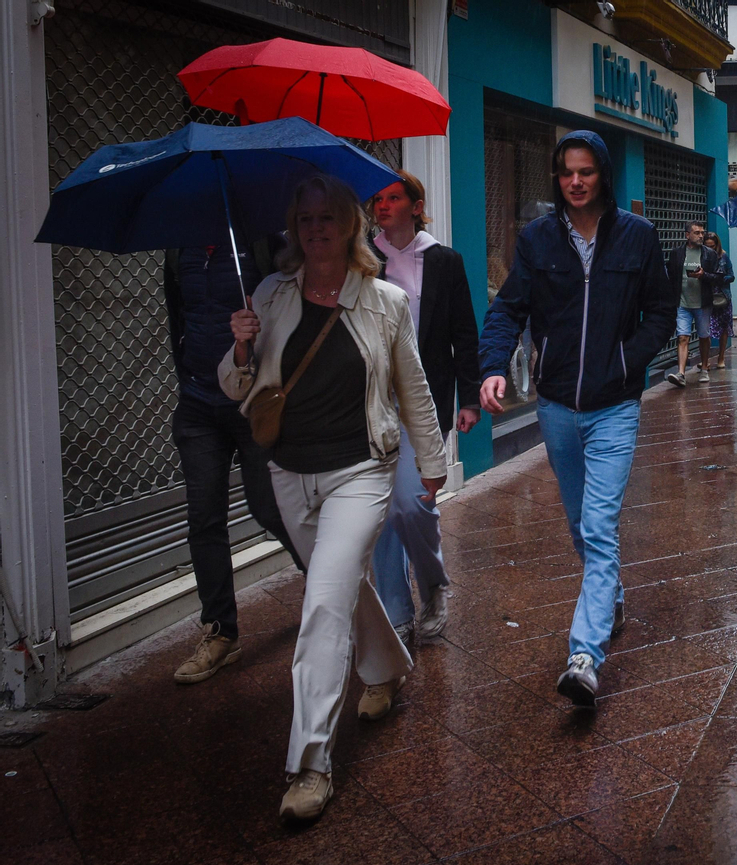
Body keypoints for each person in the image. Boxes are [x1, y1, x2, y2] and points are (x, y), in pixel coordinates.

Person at [221, 174, 446, 823]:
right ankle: (383, 668)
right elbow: (239, 386)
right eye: (306, 218)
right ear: (295, 228)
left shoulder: (384, 301)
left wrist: (432, 465)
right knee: (342, 586)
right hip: (289, 474)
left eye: (328, 217)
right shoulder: (270, 295)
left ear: (351, 225)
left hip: (361, 471)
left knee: (322, 600)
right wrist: (240, 344)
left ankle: (309, 763)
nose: (316, 228)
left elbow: (413, 387)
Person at [478, 131, 676, 707]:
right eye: (566, 173)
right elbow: (508, 308)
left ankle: (584, 657)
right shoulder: (538, 239)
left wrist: (626, 360)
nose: (576, 182)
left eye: (586, 172)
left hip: (615, 405)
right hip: (558, 405)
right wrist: (493, 366)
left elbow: (662, 311)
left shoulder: (637, 236)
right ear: (557, 178)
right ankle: (609, 593)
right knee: (578, 524)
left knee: (598, 525)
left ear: (603, 176)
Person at [165, 240, 306, 685]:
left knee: (269, 507)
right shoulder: (178, 251)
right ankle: (221, 633)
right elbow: (179, 315)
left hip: (252, 402)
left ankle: (330, 582)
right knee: (204, 518)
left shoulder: (255, 243)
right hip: (198, 401)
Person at [367, 171, 481, 647]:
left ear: (416, 206)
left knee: (413, 504)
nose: (383, 205)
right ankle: (396, 611)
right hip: (372, 403)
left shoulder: (443, 261)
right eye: (377, 198)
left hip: (426, 398)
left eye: (394, 197)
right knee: (380, 511)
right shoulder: (362, 262)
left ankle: (433, 583)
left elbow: (463, 333)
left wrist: (470, 397)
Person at [665, 221, 723, 387]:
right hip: (682, 303)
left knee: (704, 336)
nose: (700, 236)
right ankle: (681, 373)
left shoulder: (709, 254)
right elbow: (671, 276)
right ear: (687, 235)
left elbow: (719, 277)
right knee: (683, 337)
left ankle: (704, 368)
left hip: (702, 303)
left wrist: (704, 275)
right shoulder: (677, 253)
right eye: (697, 233)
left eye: (702, 232)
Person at [704, 231, 735, 370]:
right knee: (706, 329)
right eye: (707, 246)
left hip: (722, 296)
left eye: (712, 246)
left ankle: (721, 357)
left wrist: (721, 277)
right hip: (707, 296)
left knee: (723, 328)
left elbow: (732, 276)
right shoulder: (702, 257)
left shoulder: (724, 256)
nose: (710, 249)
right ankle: (705, 360)